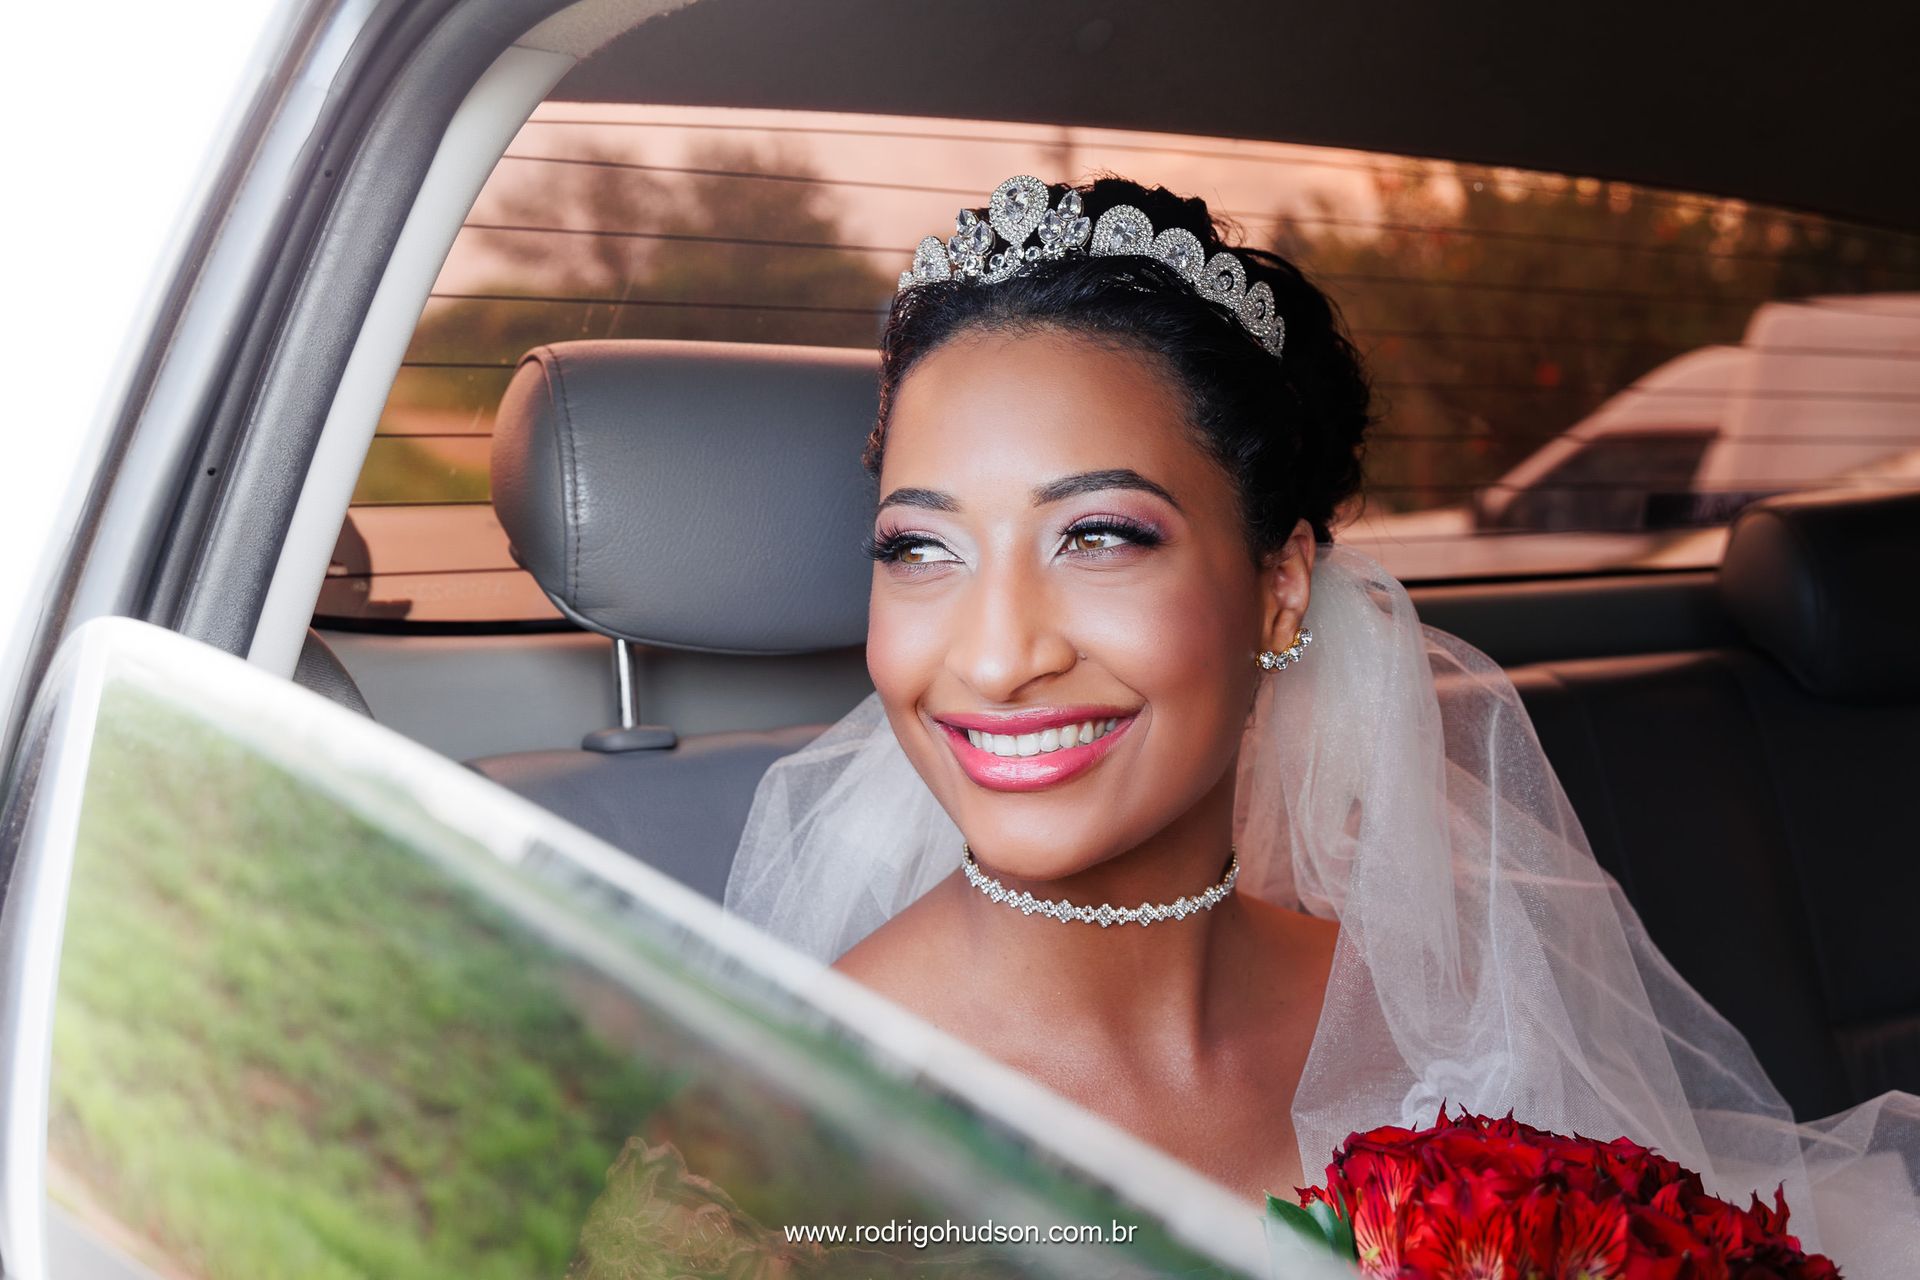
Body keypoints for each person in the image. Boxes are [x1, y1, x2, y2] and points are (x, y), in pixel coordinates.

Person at [723, 175, 1920, 1275]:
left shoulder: (1443, 1013)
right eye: (919, 548)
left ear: (1281, 582)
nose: (994, 654)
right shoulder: (775, 1120)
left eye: (1097, 535)